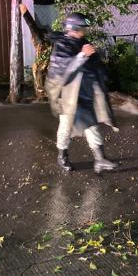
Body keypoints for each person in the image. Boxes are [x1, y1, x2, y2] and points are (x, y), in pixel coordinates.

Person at [46, 12, 118, 173]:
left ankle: (100, 159)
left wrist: (102, 75)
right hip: (68, 97)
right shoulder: (62, 45)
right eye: (82, 29)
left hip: (84, 94)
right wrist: (82, 55)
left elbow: (94, 65)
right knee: (66, 127)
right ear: (73, 28)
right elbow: (62, 72)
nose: (84, 32)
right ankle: (62, 156)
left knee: (91, 125)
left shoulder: (83, 42)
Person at [19, 3, 50, 100]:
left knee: (39, 75)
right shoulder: (49, 44)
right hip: (49, 69)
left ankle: (41, 97)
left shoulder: (40, 42)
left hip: (42, 70)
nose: (32, 39)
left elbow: (33, 27)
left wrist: (25, 13)